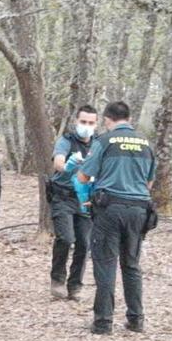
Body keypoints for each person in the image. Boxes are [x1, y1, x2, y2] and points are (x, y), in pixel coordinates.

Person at [78, 101, 156, 335]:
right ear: (128, 118)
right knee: (131, 264)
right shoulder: (145, 143)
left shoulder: (104, 141)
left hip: (110, 210)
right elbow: (149, 182)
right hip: (138, 210)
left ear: (107, 119)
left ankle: (103, 322)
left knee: (105, 263)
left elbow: (83, 177)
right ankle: (136, 319)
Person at [48, 105, 98, 301]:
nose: (86, 126)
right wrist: (69, 164)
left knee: (84, 244)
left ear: (96, 123)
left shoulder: (98, 144)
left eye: (90, 123)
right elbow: (58, 163)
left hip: (85, 198)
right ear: (76, 121)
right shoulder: (66, 141)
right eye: (83, 122)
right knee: (66, 238)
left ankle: (75, 285)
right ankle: (57, 279)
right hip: (63, 196)